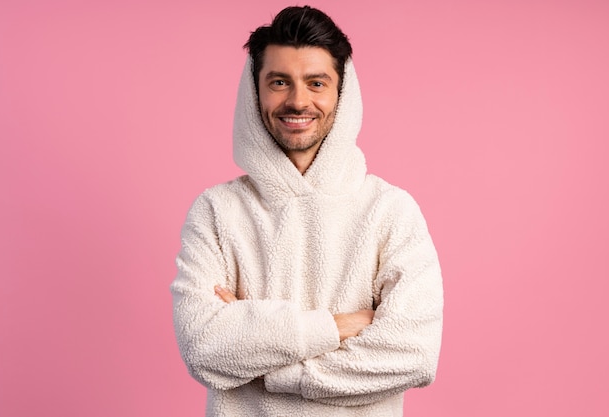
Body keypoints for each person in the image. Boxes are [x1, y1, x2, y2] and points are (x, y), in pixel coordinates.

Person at [171, 5, 443, 416]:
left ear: (342, 92)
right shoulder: (216, 212)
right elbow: (203, 347)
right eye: (279, 82)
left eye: (317, 83)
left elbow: (412, 353)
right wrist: (337, 327)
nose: (298, 101)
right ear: (255, 90)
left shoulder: (391, 211)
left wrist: (272, 366)